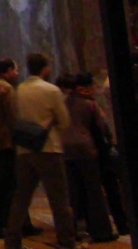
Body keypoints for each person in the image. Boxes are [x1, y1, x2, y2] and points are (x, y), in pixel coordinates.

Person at [4, 53, 76, 249]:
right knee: (59, 199)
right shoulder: (51, 90)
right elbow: (64, 121)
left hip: (24, 149)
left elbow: (14, 117)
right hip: (49, 148)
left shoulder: (19, 90)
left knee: (21, 198)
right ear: (45, 69)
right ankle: (66, 240)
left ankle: (12, 239)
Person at [0, 58, 39, 240]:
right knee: (9, 186)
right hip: (4, 143)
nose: (17, 74)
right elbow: (13, 117)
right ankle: (7, 225)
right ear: (9, 70)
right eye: (15, 70)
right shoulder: (5, 88)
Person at [63, 73, 117, 242]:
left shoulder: (63, 102)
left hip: (66, 151)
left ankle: (74, 230)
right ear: (84, 88)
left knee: (73, 192)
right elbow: (102, 128)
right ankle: (101, 231)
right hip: (86, 150)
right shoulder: (89, 104)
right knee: (94, 192)